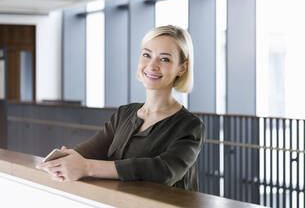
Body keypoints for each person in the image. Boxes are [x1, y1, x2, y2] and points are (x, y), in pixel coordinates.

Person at [38, 25, 205, 191]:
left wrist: (87, 167)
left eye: (164, 59)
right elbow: (93, 149)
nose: (152, 65)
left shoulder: (190, 126)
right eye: (147, 55)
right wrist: (66, 159)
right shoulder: (124, 113)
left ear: (182, 68)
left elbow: (164, 171)